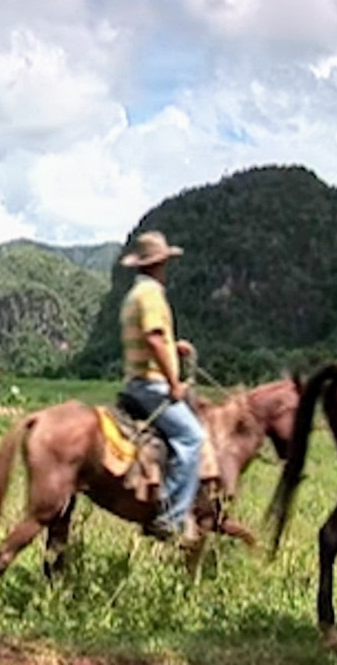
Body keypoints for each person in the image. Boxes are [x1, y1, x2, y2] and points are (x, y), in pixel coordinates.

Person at [118, 230, 203, 540]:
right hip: (150, 385)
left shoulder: (133, 295)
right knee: (193, 437)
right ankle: (170, 517)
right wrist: (174, 382)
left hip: (133, 381)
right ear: (159, 264)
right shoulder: (152, 294)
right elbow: (153, 337)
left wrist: (173, 345)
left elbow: (154, 337)